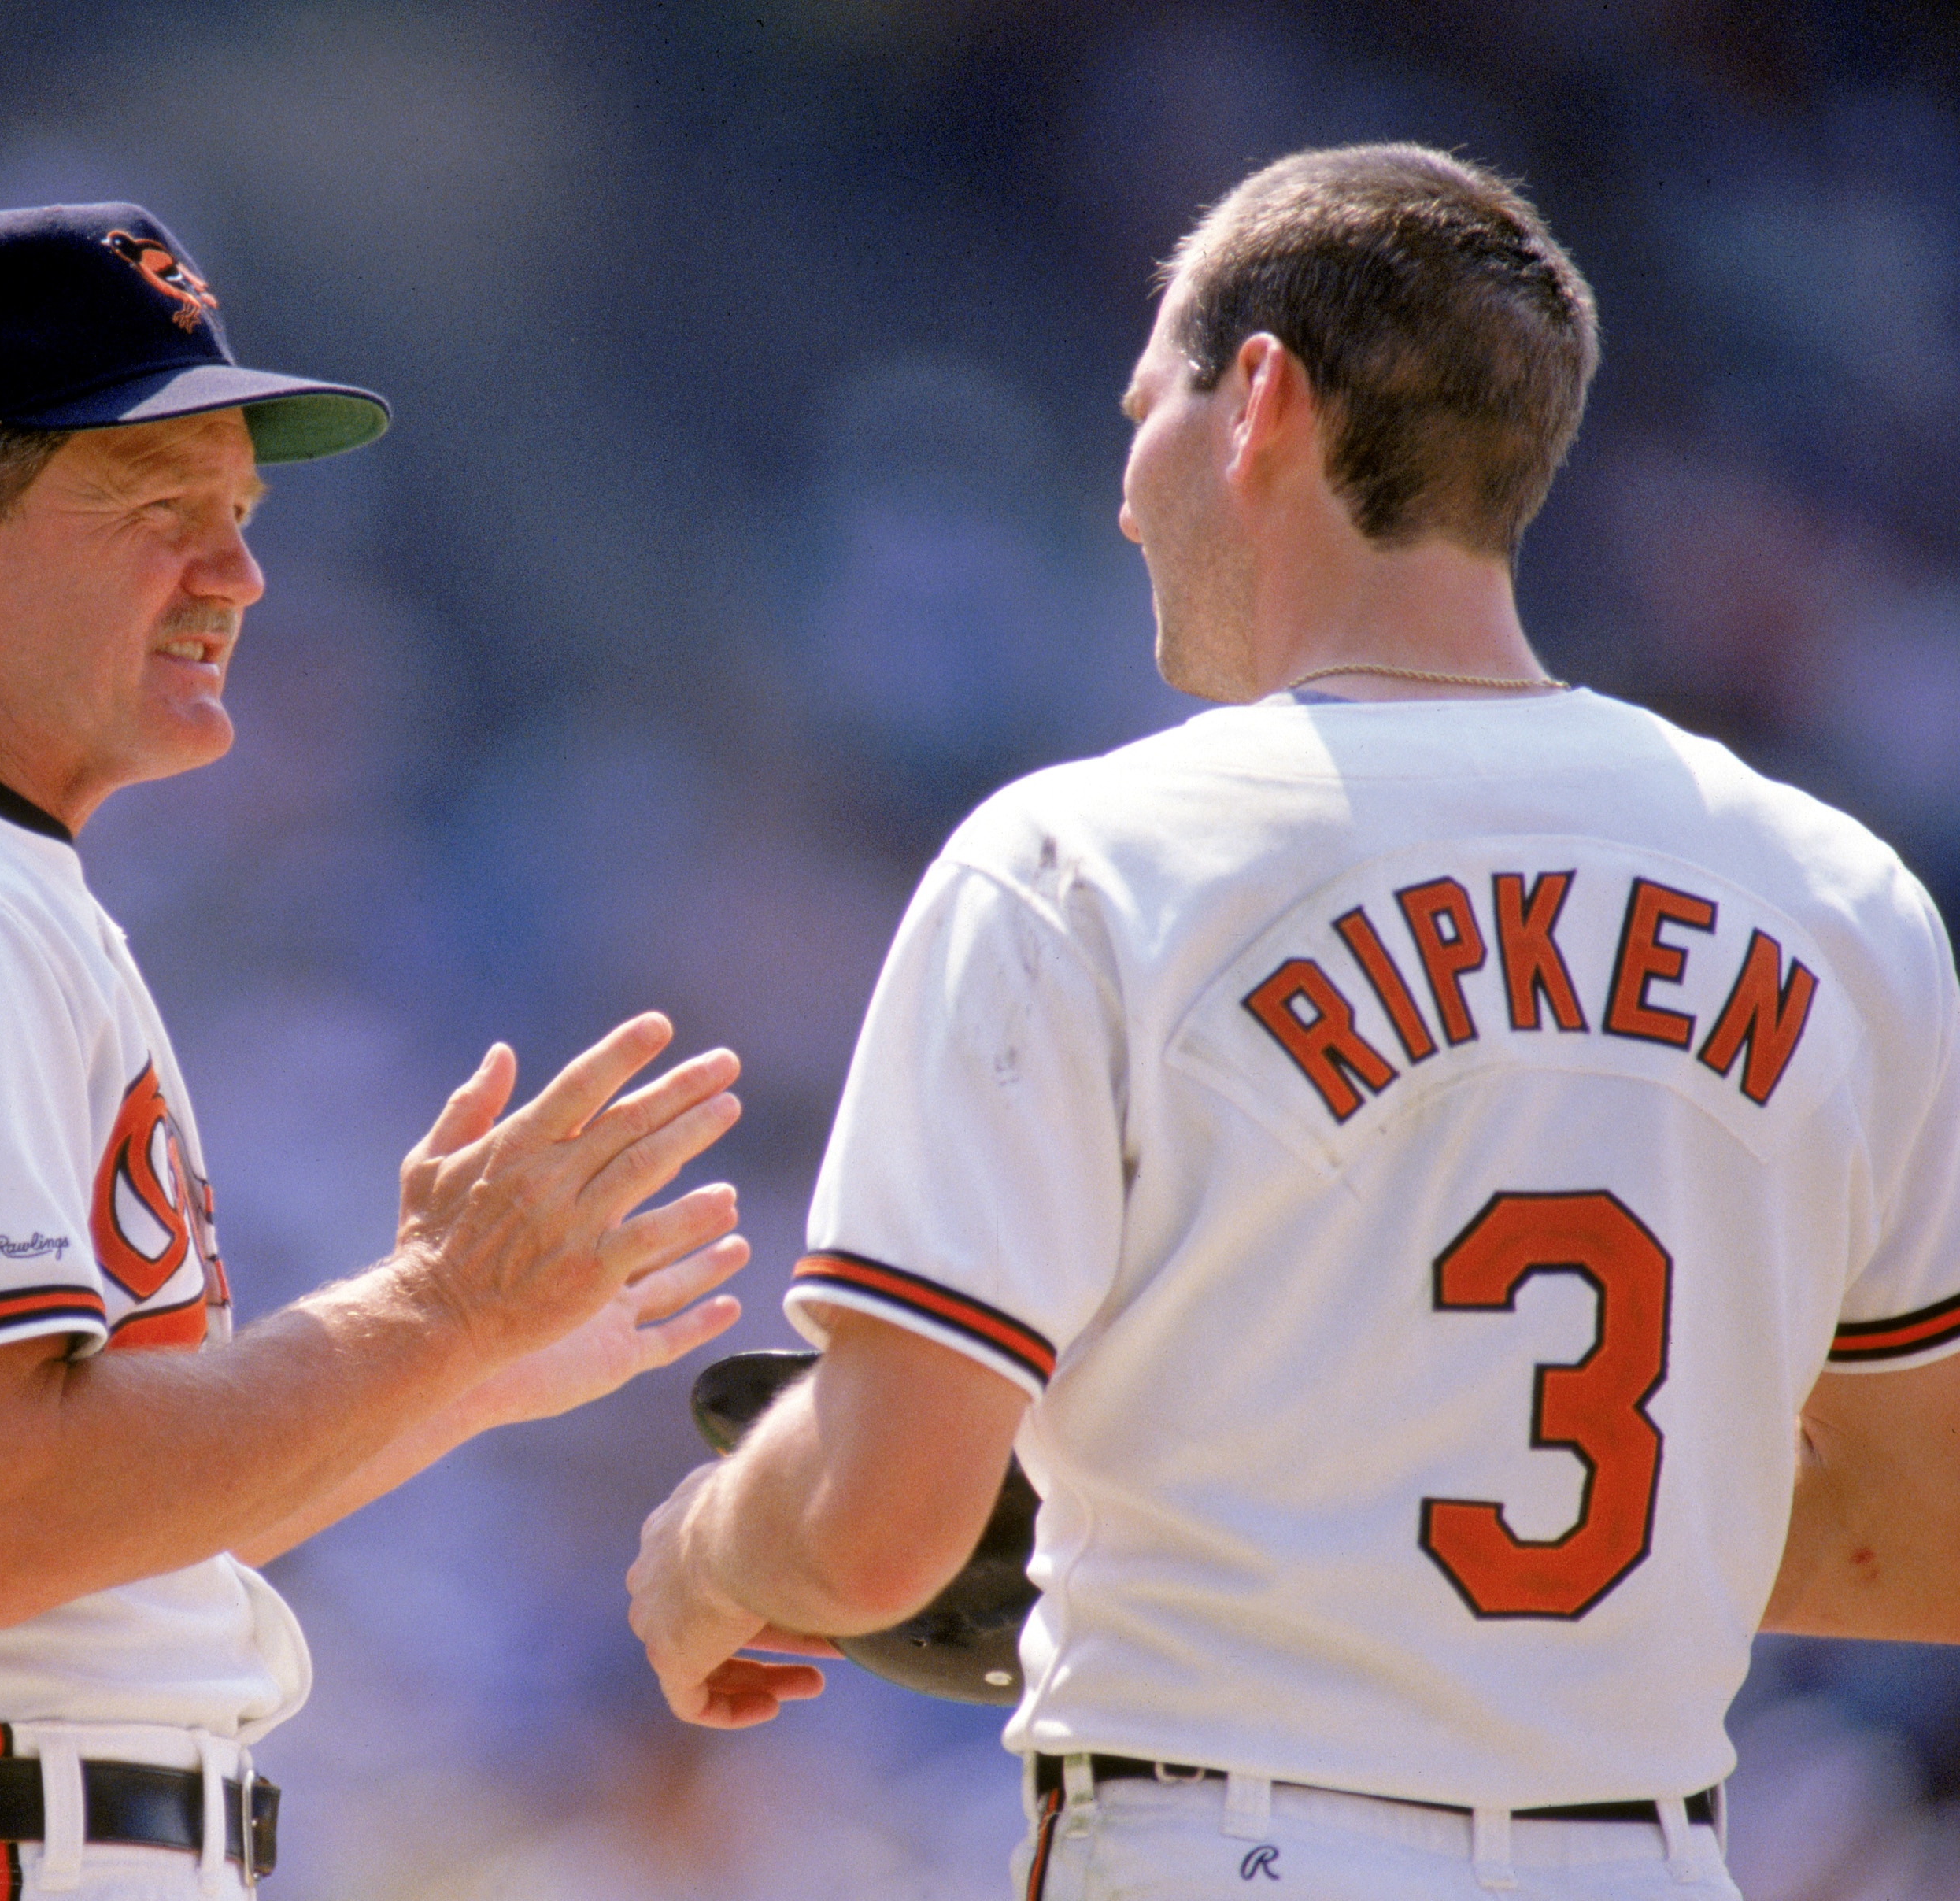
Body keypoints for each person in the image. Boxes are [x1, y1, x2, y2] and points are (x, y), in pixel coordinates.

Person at [627, 145, 1960, 1900]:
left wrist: (700, 1560)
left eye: (1141, 408)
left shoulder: (1078, 860)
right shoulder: (1838, 895)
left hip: (1222, 1840)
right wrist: (1410, 1495)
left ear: (1256, 397)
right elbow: (1914, 1536)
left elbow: (876, 1527)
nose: (1121, 489)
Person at [0, 202, 752, 1901]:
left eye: (239, 513)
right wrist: (431, 1308)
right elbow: (4, 1513)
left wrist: (440, 1367)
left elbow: (77, 1534)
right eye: (158, 511)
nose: (237, 572)